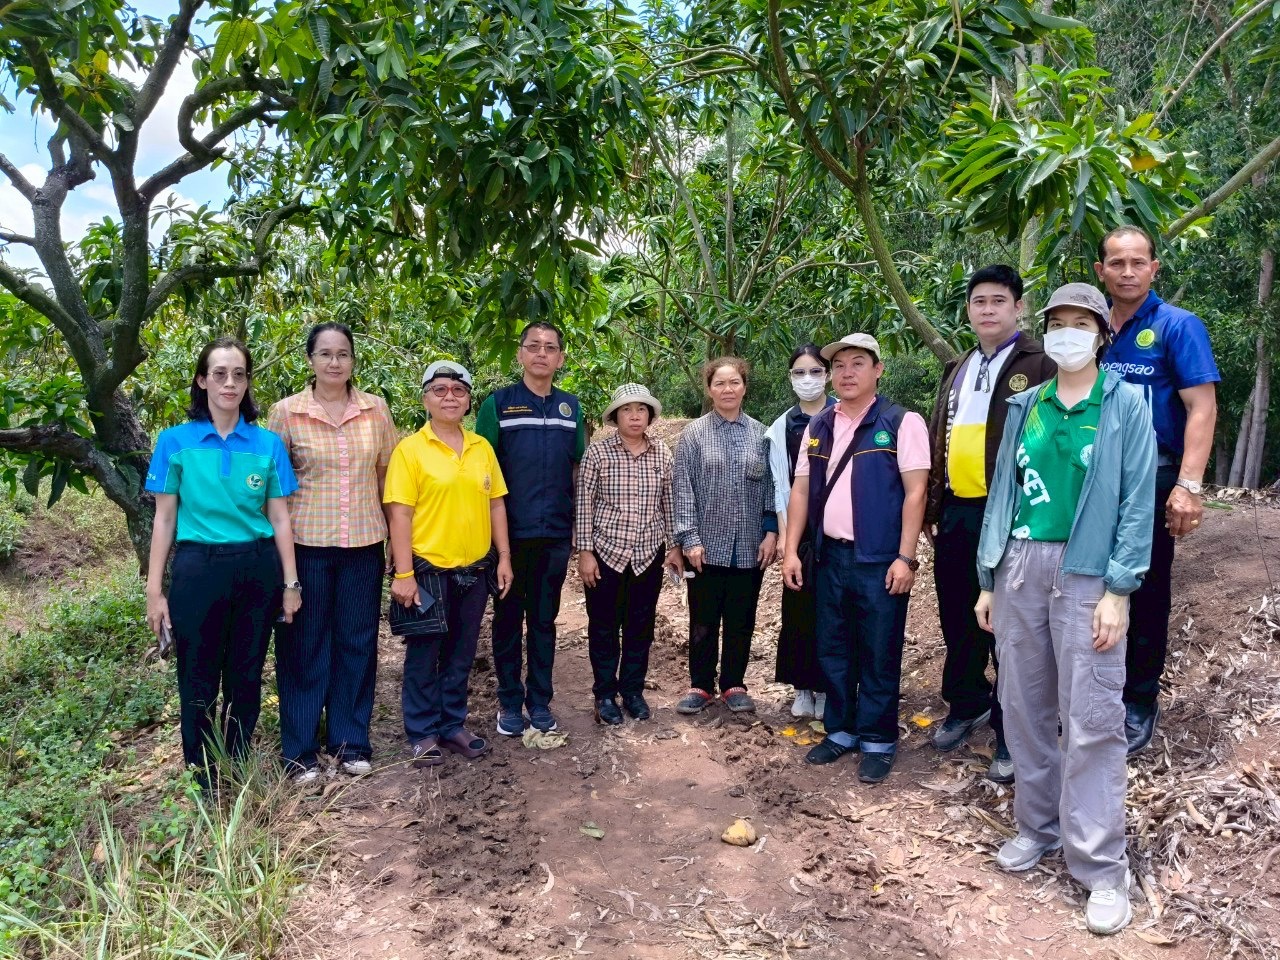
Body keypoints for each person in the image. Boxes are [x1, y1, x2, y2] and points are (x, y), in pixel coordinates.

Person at [975, 282, 1155, 936]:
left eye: (1083, 323)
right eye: (1059, 322)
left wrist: (1119, 589)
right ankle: (1038, 826)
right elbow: (1004, 491)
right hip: (1021, 565)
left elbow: (1137, 499)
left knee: (1093, 717)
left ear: (1102, 335)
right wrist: (989, 577)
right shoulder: (1028, 404)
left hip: (1087, 574)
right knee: (1023, 706)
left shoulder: (1124, 403)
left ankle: (1102, 867)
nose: (1069, 333)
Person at [144, 337, 301, 789]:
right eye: (219, 374)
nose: (229, 383)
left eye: (238, 374)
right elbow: (164, 519)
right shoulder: (175, 442)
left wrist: (291, 584)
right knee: (197, 675)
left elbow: (279, 518)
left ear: (247, 382)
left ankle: (236, 768)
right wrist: (154, 591)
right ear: (202, 381)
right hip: (198, 568)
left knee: (246, 674)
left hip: (257, 567)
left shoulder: (267, 444)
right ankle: (202, 775)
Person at [925, 265, 1056, 782]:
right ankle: (967, 702)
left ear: (1018, 307)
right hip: (957, 510)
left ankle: (1011, 730)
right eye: (979, 301)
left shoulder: (1039, 363)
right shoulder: (959, 366)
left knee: (1008, 622)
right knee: (957, 614)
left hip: (1009, 514)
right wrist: (934, 504)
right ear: (968, 310)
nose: (987, 310)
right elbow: (941, 433)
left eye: (998, 300)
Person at [781, 334, 930, 783]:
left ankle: (878, 739)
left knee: (879, 648)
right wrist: (791, 551)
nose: (847, 372)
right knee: (834, 646)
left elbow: (916, 492)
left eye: (858, 363)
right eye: (839, 365)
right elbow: (801, 490)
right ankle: (841, 730)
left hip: (880, 558)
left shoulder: (901, 422)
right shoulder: (819, 425)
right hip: (829, 557)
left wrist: (906, 557)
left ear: (878, 369)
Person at [1094, 226, 1220, 754]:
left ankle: (1139, 700)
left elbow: (1202, 406)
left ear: (1154, 268)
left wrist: (1188, 485)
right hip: (1093, 477)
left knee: (1144, 587)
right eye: (1116, 263)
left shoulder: (1177, 326)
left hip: (1154, 473)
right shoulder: (1089, 328)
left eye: (1137, 262)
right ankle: (1095, 691)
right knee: (1092, 582)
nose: (1127, 272)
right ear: (1100, 270)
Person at [266, 322, 398, 782]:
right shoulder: (287, 413)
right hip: (306, 548)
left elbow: (386, 479)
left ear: (353, 360)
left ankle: (350, 742)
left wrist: (397, 543)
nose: (334, 362)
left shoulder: (375, 410)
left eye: (343, 354)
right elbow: (273, 490)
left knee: (356, 643)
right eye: (325, 354)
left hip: (363, 545)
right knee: (304, 645)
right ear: (310, 360)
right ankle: (300, 750)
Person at [384, 361, 514, 768]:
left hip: (474, 570)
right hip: (427, 571)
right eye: (439, 390)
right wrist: (403, 573)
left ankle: (452, 724)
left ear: (468, 400)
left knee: (462, 652)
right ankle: (422, 732)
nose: (449, 397)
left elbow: (496, 504)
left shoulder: (481, 448)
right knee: (424, 654)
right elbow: (400, 514)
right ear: (425, 399)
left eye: (458, 391)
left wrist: (504, 556)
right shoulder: (410, 450)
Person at [475, 322, 586, 737]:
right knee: (507, 619)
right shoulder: (498, 405)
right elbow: (481, 470)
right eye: (534, 346)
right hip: (508, 535)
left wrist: (576, 526)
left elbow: (578, 468)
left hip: (554, 534)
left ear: (560, 358)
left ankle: (539, 701)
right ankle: (509, 702)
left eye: (550, 347)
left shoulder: (570, 408)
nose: (542, 353)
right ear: (520, 354)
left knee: (543, 621)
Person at [672, 357, 778, 715]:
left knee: (741, 618)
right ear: (709, 389)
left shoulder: (762, 435)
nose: (727, 389)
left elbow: (771, 488)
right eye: (720, 383)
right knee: (703, 619)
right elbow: (683, 489)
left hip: (749, 545)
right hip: (704, 545)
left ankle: (734, 683)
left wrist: (771, 532)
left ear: (744, 387)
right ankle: (701, 684)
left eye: (734, 382)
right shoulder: (694, 434)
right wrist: (689, 538)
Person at [574, 383, 683, 724]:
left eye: (641, 410)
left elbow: (669, 503)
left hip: (648, 554)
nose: (635, 416)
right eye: (627, 410)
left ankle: (633, 691)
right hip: (606, 553)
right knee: (604, 627)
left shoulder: (662, 454)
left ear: (649, 416)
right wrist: (585, 552)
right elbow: (584, 504)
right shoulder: (598, 453)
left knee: (640, 626)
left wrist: (674, 547)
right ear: (615, 417)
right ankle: (605, 694)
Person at [766, 344, 835, 719]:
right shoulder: (783, 426)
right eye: (799, 372)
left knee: (834, 608)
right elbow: (781, 484)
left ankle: (828, 686)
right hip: (800, 529)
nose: (808, 379)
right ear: (790, 378)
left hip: (839, 525)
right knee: (799, 607)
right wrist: (786, 539)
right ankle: (803, 687)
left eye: (815, 371)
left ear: (828, 375)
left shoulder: (844, 414)